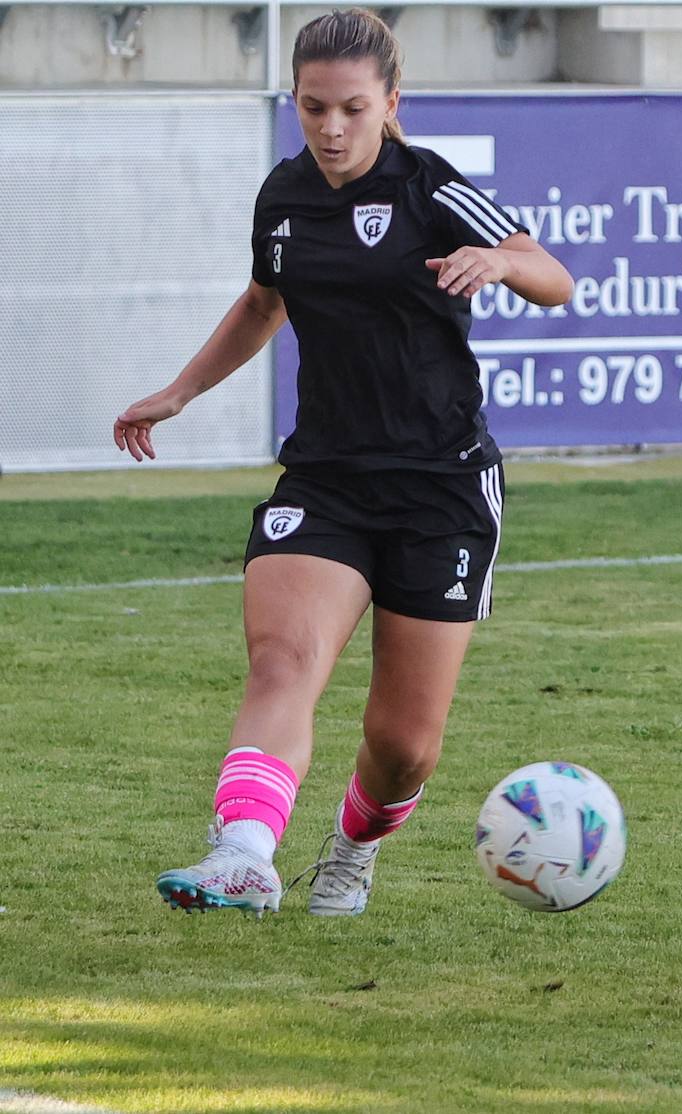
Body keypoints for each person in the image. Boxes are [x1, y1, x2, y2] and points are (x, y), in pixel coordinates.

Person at [113, 8, 572, 918]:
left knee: (403, 744)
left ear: (390, 105)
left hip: (441, 488)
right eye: (314, 107)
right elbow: (263, 301)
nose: (331, 128)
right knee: (283, 658)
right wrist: (180, 392)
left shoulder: (430, 188)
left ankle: (353, 846)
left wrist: (500, 264)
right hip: (325, 477)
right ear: (294, 101)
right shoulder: (283, 196)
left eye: (353, 109)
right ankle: (243, 851)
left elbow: (553, 273)